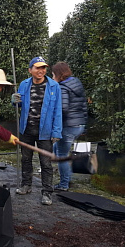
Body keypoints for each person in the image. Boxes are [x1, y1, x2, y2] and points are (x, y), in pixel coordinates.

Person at [12, 56, 62, 205]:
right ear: (30, 70)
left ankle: (47, 192)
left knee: (45, 163)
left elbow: (58, 110)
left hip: (45, 131)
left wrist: (56, 131)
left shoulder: (54, 87)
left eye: (43, 68)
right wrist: (14, 100)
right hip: (26, 129)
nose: (41, 70)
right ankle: (26, 185)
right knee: (25, 159)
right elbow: (18, 104)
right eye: (37, 67)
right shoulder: (24, 84)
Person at [51, 62, 87, 191]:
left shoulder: (62, 87)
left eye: (53, 74)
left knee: (62, 155)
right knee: (57, 149)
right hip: (79, 124)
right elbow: (84, 106)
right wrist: (84, 126)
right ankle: (67, 176)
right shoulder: (76, 83)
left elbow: (63, 109)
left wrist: (55, 126)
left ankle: (64, 184)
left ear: (58, 74)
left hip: (69, 126)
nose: (52, 76)